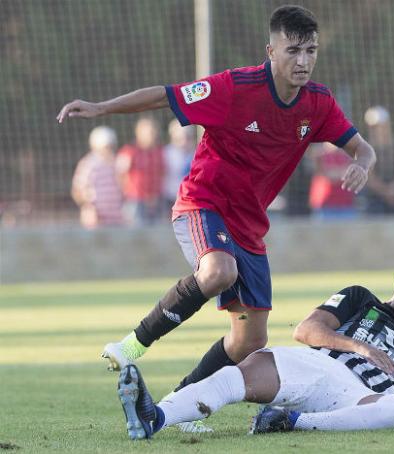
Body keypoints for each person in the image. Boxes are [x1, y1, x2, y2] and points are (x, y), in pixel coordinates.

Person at [57, 3, 376, 407]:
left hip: (250, 225)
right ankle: (132, 345)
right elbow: (164, 96)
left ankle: (176, 404)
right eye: (293, 51)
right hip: (203, 204)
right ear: (271, 51)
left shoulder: (318, 103)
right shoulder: (234, 88)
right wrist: (102, 108)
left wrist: (362, 163)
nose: (303, 60)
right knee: (218, 271)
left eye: (310, 51)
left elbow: (360, 147)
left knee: (249, 340)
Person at [115, 245, 394, 440]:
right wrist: (361, 347)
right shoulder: (360, 299)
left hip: (356, 398)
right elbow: (305, 331)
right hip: (316, 367)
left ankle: (291, 424)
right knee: (236, 377)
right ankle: (155, 418)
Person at [71, 126, 124, 228]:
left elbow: (123, 187)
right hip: (95, 219)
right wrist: (88, 208)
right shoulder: (88, 164)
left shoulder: (117, 163)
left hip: (116, 218)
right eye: (106, 146)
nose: (109, 149)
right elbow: (77, 190)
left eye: (111, 146)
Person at [116, 116, 165, 225]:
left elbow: (162, 173)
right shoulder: (128, 151)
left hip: (156, 200)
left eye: (153, 132)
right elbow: (119, 174)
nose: (152, 135)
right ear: (138, 133)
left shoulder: (159, 151)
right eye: (148, 132)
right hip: (135, 200)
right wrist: (125, 195)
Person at [361, 106, 394, 216]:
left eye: (381, 125)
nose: (378, 129)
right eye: (374, 126)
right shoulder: (365, 147)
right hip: (373, 200)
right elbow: (369, 177)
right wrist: (387, 192)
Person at [308, 142, 358, 220]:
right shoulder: (319, 155)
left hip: (346, 206)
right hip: (325, 207)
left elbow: (350, 174)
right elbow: (328, 175)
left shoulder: (349, 154)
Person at [162, 119, 196, 214]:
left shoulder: (196, 153)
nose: (184, 141)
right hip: (171, 196)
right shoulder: (167, 153)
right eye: (180, 137)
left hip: (190, 199)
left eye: (187, 137)